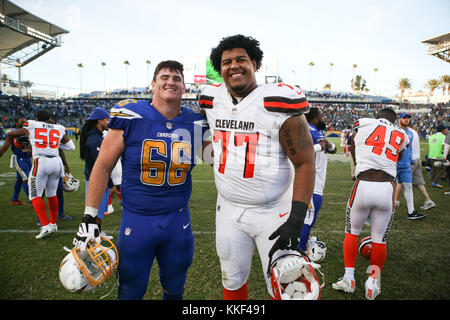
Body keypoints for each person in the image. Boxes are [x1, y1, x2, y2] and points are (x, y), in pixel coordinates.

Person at [73, 60, 209, 300]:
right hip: (138, 220)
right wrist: (89, 215)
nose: (171, 82)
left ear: (185, 87)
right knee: (130, 290)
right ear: (153, 85)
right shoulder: (132, 116)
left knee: (175, 288)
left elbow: (218, 160)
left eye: (177, 78)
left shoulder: (195, 123)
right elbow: (103, 166)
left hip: (178, 220)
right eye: (164, 77)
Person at [199, 34, 315, 300]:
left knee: (291, 290)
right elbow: (199, 129)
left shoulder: (276, 102)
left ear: (255, 63)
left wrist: (295, 220)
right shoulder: (212, 99)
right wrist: (210, 154)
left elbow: (306, 163)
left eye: (241, 59)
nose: (234, 66)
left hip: (273, 213)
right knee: (232, 281)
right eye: (227, 62)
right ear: (220, 70)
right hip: (227, 211)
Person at [332, 108, 409, 300]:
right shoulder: (402, 134)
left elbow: (352, 141)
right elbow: (398, 156)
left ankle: (349, 278)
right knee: (379, 239)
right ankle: (373, 283)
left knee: (352, 232)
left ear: (378, 117)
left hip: (364, 185)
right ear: (394, 121)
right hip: (387, 188)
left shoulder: (364, 122)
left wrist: (359, 161)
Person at [7, 110, 76, 239]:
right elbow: (71, 147)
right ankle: (54, 223)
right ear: (49, 118)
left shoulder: (32, 124)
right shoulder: (59, 127)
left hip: (41, 161)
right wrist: (52, 143)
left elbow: (12, 133)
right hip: (56, 162)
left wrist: (32, 140)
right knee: (52, 194)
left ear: (37, 118)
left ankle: (45, 226)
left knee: (34, 195)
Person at [299, 107, 336, 253]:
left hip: (313, 182)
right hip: (311, 182)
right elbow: (300, 150)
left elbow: (332, 149)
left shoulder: (313, 130)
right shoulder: (311, 130)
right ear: (313, 118)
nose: (324, 119)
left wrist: (328, 144)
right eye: (321, 116)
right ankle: (300, 252)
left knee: (308, 218)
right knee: (307, 219)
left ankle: (302, 243)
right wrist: (320, 145)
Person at [79, 107, 113, 238]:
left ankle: (97, 232)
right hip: (96, 179)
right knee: (95, 209)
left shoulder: (96, 136)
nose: (109, 122)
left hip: (95, 178)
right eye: (107, 119)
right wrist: (110, 184)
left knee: (99, 209)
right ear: (100, 120)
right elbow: (100, 165)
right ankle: (94, 234)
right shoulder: (94, 139)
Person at [395, 120, 435, 211]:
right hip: (417, 158)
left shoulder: (404, 132)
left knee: (402, 181)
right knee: (416, 182)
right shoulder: (414, 132)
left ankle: (397, 201)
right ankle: (396, 201)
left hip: (409, 160)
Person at [394, 113, 426, 220]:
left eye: (408, 118)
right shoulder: (394, 131)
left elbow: (410, 149)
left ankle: (411, 212)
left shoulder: (410, 133)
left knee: (408, 186)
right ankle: (382, 211)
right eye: (404, 118)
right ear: (399, 119)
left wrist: (411, 162)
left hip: (406, 164)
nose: (406, 120)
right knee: (387, 188)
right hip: (393, 165)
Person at [0, 116, 31, 205]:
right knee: (27, 178)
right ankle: (32, 201)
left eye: (25, 122)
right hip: (19, 158)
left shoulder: (28, 131)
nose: (24, 123)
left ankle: (14, 200)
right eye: (22, 122)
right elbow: (4, 148)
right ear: (17, 122)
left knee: (19, 179)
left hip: (28, 158)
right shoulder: (12, 133)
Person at [428, 124, 448, 188]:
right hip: (439, 156)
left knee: (434, 169)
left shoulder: (432, 136)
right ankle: (435, 182)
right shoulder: (444, 137)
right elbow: (443, 146)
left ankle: (432, 180)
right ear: (443, 130)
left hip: (432, 155)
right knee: (442, 169)